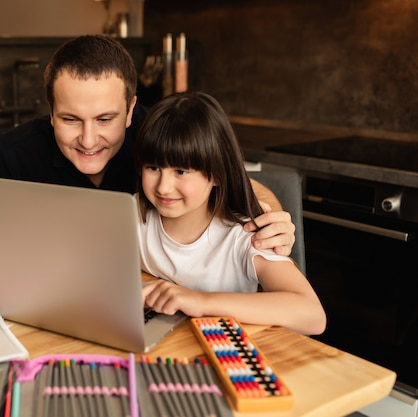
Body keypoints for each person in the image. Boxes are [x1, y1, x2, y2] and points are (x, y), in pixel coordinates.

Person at [0, 35, 295, 256]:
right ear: (51, 113)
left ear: (130, 110)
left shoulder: (158, 133)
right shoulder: (20, 149)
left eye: (104, 119)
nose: (87, 140)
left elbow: (243, 187)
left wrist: (272, 222)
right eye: (70, 120)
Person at [136, 92, 326, 335]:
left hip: (230, 355)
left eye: (181, 171)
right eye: (153, 167)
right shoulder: (132, 215)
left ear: (216, 173)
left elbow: (312, 315)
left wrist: (201, 301)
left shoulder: (244, 236)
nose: (163, 186)